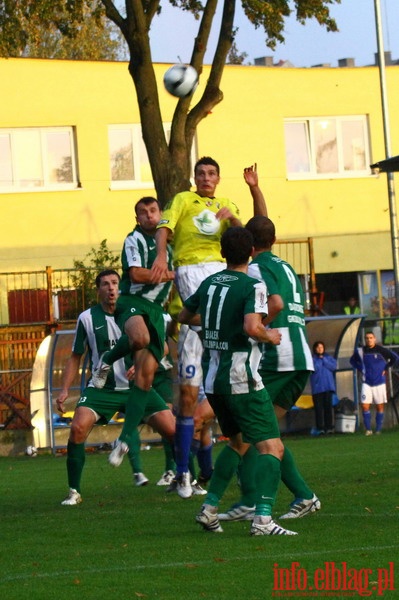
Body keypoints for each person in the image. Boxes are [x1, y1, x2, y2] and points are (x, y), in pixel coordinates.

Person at [150, 157, 265, 499]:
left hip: (221, 268)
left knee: (209, 390)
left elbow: (252, 233)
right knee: (189, 395)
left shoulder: (227, 205)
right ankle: (183, 475)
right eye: (200, 173)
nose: (205, 178)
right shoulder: (184, 200)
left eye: (211, 173)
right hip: (192, 268)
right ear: (194, 177)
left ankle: (211, 472)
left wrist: (238, 215)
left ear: (218, 178)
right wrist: (160, 256)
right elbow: (163, 229)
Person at [179, 226, 297, 536]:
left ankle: (209, 508)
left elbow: (183, 316)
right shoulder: (252, 285)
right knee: (273, 447)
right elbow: (250, 326)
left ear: (222, 252)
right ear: (250, 253)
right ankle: (263, 520)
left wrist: (212, 326)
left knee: (238, 442)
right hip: (242, 378)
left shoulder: (209, 282)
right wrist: (268, 335)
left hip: (215, 382)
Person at [219, 215, 320, 522]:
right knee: (266, 432)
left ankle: (250, 500)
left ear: (250, 246)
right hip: (299, 355)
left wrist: (255, 328)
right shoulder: (285, 265)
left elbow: (274, 303)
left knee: (251, 430)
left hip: (280, 357)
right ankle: (303, 496)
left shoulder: (257, 268)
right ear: (273, 241)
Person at [56, 269, 164, 505]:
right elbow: (75, 356)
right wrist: (65, 389)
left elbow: (160, 346)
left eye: (115, 283)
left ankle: (182, 477)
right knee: (77, 428)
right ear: (98, 291)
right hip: (102, 388)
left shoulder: (135, 313)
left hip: (137, 387)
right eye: (105, 284)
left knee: (174, 429)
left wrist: (142, 363)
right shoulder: (87, 318)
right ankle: (74, 491)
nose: (111, 288)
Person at [92, 198, 176, 468]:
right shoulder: (134, 239)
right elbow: (137, 274)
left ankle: (125, 440)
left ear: (160, 214)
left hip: (156, 310)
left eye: (153, 211)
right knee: (140, 338)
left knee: (144, 381)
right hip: (132, 302)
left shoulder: (171, 246)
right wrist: (174, 275)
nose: (149, 216)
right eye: (143, 212)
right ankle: (108, 358)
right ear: (137, 218)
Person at [350, 331, 399, 435]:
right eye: (367, 338)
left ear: (374, 339)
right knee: (364, 405)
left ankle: (378, 429)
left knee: (379, 406)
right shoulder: (360, 351)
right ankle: (368, 429)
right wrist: (360, 368)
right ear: (365, 339)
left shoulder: (381, 350)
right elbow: (352, 361)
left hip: (379, 382)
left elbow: (395, 358)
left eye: (371, 338)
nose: (369, 340)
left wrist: (386, 367)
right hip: (366, 382)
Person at [310, 341, 337, 435]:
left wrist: (323, 360)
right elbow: (315, 369)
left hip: (328, 388)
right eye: (318, 347)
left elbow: (333, 366)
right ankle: (320, 428)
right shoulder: (312, 359)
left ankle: (329, 427)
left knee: (328, 408)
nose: (320, 349)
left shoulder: (328, 358)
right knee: (318, 409)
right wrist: (320, 360)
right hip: (317, 389)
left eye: (321, 347)